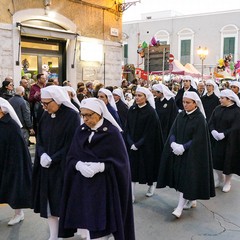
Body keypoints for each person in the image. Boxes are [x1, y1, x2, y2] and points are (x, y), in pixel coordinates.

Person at [59, 98, 135, 240]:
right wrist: (78, 165)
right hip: (83, 187)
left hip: (104, 188)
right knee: (88, 223)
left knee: (101, 227)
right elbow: (71, 156)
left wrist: (101, 166)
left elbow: (122, 163)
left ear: (99, 114)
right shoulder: (81, 130)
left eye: (89, 115)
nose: (85, 119)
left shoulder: (112, 133)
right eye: (83, 115)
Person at [31, 86, 81, 240]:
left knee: (63, 203)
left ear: (57, 100)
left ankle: (76, 231)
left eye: (47, 103)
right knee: (49, 204)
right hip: (46, 167)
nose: (44, 107)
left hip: (62, 167)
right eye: (43, 104)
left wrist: (53, 158)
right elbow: (40, 139)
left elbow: (71, 144)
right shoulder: (46, 115)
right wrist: (42, 153)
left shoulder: (71, 116)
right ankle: (53, 235)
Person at [157, 91, 215, 218]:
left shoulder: (200, 118)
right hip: (178, 152)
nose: (185, 105)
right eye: (183, 102)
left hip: (192, 154)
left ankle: (179, 207)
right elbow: (173, 131)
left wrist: (184, 146)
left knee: (187, 179)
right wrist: (173, 144)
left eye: (188, 103)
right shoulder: (181, 115)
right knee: (184, 179)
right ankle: (191, 199)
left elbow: (198, 139)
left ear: (195, 103)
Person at [125, 87, 163, 201]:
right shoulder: (132, 109)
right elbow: (127, 127)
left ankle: (151, 185)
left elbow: (150, 131)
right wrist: (130, 142)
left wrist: (138, 144)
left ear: (146, 98)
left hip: (146, 146)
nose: (137, 97)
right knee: (132, 169)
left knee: (148, 167)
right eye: (136, 95)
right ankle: (131, 193)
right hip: (132, 144)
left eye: (139, 95)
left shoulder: (151, 112)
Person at [0, 97, 32, 226]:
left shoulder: (11, 125)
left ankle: (19, 213)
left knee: (14, 187)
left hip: (11, 161)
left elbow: (17, 147)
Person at [208, 89, 240, 193]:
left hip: (230, 142)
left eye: (222, 98)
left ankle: (227, 181)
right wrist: (213, 131)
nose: (220, 100)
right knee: (216, 162)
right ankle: (220, 178)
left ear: (229, 99)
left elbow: (236, 127)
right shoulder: (217, 108)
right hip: (217, 141)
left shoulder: (237, 111)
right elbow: (211, 121)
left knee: (228, 163)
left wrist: (224, 134)